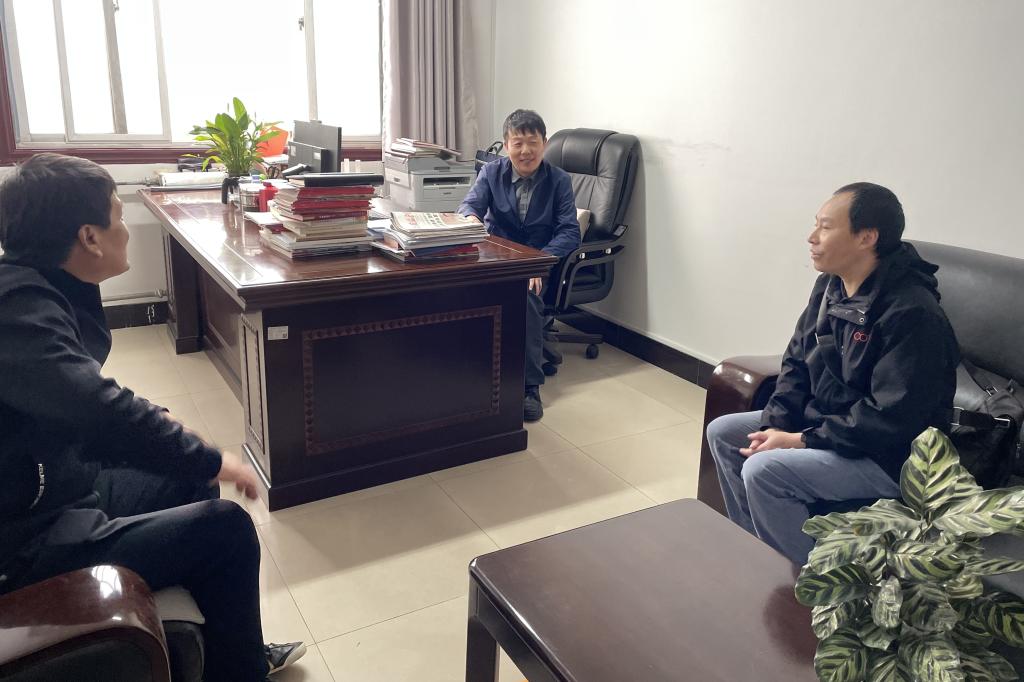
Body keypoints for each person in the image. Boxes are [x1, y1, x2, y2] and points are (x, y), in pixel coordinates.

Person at [0, 153, 305, 680]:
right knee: (228, 528)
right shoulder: (15, 307)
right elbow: (92, 406)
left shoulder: (39, 286)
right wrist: (212, 459)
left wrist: (173, 439)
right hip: (24, 540)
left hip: (56, 485)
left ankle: (226, 650)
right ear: (89, 237)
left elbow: (73, 397)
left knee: (187, 479)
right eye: (118, 216)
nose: (125, 230)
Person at [706, 182, 959, 565]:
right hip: (832, 427)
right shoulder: (830, 287)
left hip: (891, 456)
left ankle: (806, 583)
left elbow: (892, 419)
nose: (812, 237)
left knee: (764, 470)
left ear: (866, 237)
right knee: (725, 432)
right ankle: (760, 557)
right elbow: (795, 364)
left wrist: (801, 440)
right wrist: (775, 426)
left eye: (825, 227)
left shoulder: (912, 313)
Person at [459, 109, 581, 422]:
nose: (525, 151)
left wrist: (538, 264)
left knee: (524, 298)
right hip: (496, 259)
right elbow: (470, 205)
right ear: (506, 145)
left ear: (544, 143)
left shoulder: (559, 180)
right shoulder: (492, 172)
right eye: (518, 143)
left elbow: (570, 231)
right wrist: (471, 219)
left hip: (538, 262)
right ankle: (468, 372)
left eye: (532, 142)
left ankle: (528, 387)